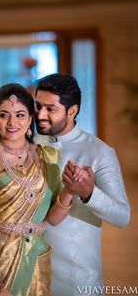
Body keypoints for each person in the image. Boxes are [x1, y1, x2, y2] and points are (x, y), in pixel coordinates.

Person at [0, 83, 87, 296]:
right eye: (4, 115)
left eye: (20, 115)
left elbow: (54, 219)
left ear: (30, 118)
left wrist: (69, 190)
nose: (12, 122)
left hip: (36, 257)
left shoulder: (49, 155)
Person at [34, 73, 131, 296]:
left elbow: (122, 216)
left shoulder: (99, 152)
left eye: (50, 109)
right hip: (29, 273)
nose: (40, 115)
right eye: (38, 106)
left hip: (76, 280)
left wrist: (89, 193)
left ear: (72, 111)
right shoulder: (27, 146)